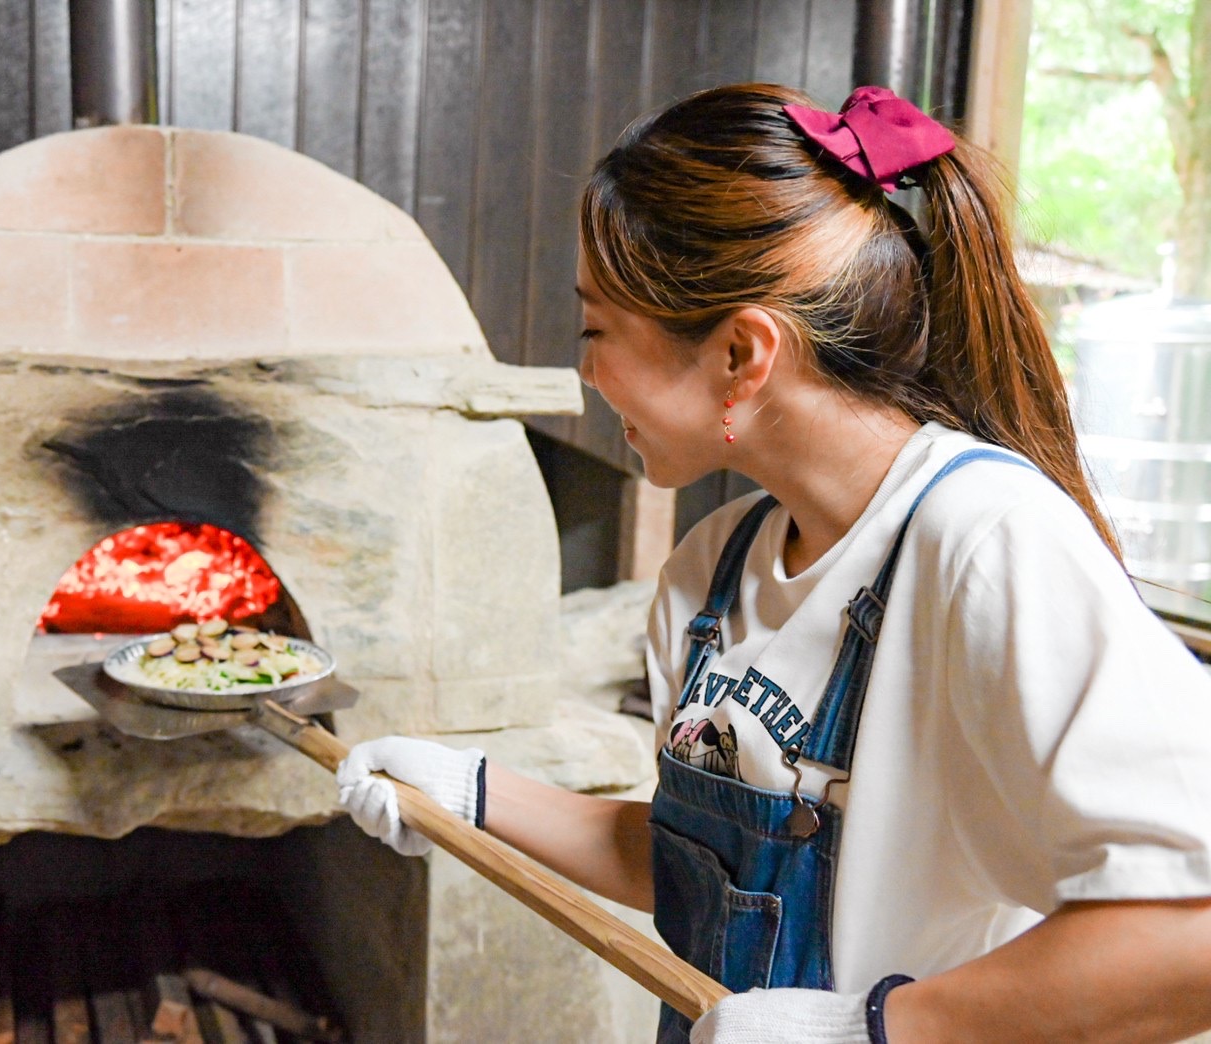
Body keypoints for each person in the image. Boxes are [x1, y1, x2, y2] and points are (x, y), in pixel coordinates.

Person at [335, 83, 1211, 1043]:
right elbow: (695, 864)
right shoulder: (712, 567)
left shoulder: (988, 541)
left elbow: (1189, 933)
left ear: (742, 353)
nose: (586, 371)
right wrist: (470, 791)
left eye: (597, 330)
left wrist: (875, 1029)